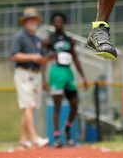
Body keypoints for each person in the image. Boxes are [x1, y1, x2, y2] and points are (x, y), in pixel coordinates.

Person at [44, 12, 88, 147]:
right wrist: (43, 79)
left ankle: (67, 129)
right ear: (53, 23)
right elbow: (44, 60)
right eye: (56, 21)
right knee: (56, 106)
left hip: (68, 72)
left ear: (63, 23)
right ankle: (56, 137)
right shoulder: (49, 40)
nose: (58, 23)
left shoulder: (69, 40)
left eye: (60, 21)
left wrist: (83, 77)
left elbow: (75, 58)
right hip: (56, 72)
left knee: (74, 103)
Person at [10, 7, 49, 149]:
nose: (32, 22)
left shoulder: (37, 39)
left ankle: (23, 140)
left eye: (34, 19)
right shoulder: (19, 36)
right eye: (30, 19)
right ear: (25, 22)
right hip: (24, 73)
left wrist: (46, 60)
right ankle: (34, 138)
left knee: (30, 109)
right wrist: (32, 57)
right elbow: (14, 55)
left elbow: (42, 58)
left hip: (36, 74)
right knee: (29, 105)